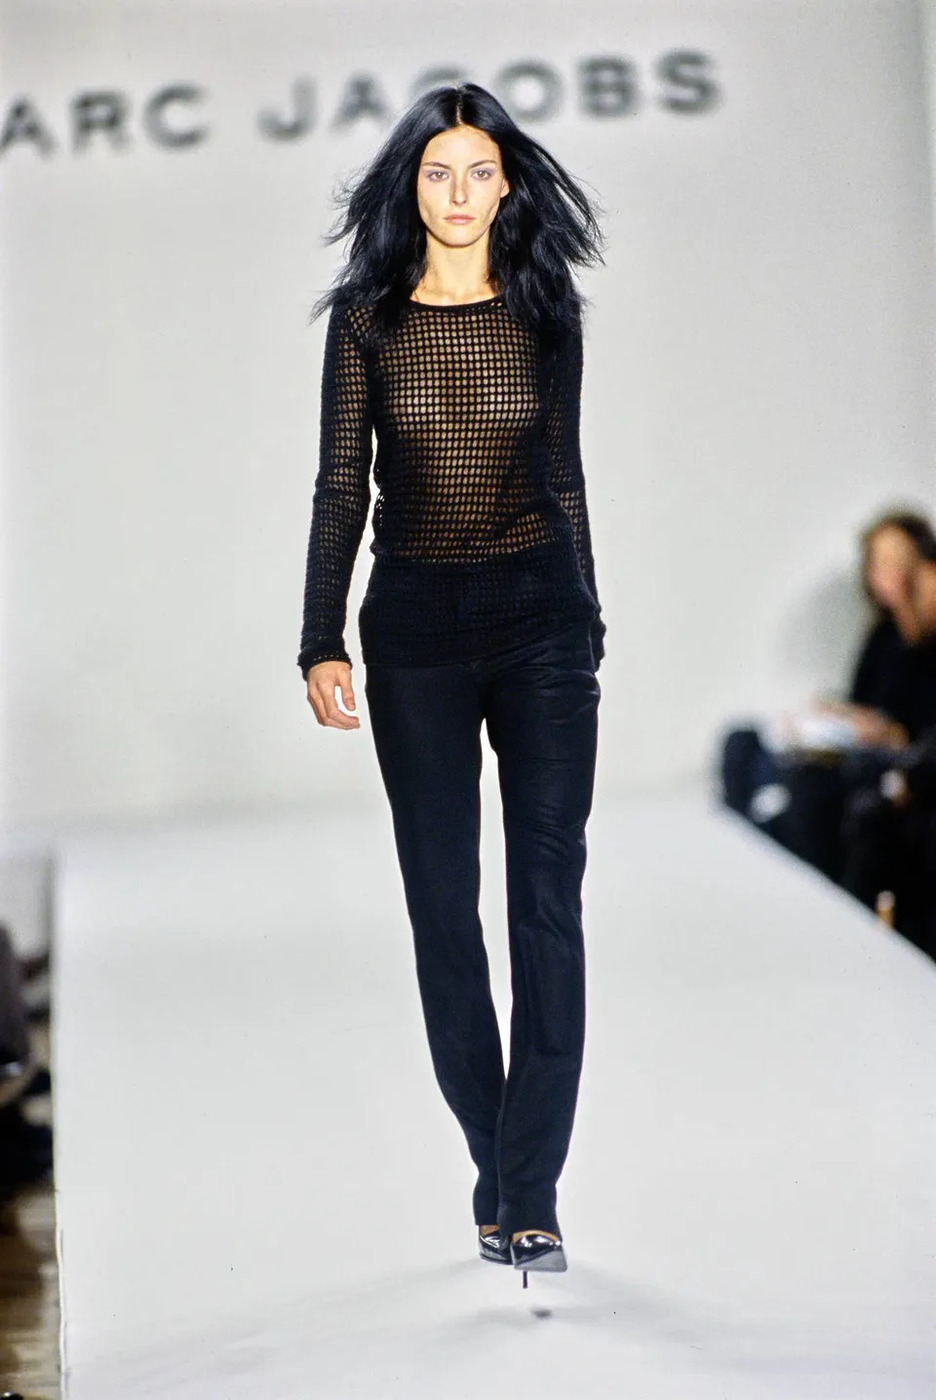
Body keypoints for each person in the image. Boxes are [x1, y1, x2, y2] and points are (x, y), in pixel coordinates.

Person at [297, 83, 605, 1278]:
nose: (461, 193)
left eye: (480, 171)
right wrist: (319, 637)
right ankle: (497, 1156)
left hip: (541, 623)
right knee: (443, 912)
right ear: (410, 185)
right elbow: (341, 483)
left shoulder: (546, 308)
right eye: (439, 172)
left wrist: (587, 616)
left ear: (508, 184)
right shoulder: (367, 321)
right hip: (417, 630)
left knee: (548, 902)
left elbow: (565, 476)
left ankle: (532, 1188)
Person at [719, 509, 936, 877]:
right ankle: (767, 813)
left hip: (889, 758)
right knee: (742, 741)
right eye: (878, 563)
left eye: (896, 562)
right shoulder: (883, 635)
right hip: (860, 744)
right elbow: (860, 700)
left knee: (813, 783)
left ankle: (775, 817)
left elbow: (916, 736)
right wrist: (836, 714)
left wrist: (887, 733)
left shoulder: (923, 639)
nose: (887, 575)